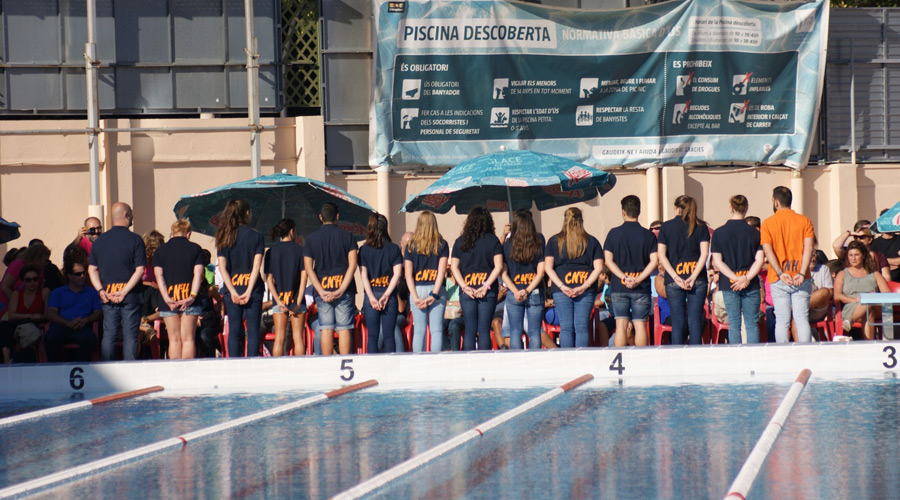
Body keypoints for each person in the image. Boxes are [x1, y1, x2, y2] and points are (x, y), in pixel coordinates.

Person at [88, 202, 146, 360]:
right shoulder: (135, 240)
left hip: (108, 295)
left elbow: (92, 269)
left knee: (109, 336)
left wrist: (101, 290)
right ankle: (130, 371)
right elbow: (140, 269)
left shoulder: (99, 241)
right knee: (130, 337)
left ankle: (108, 371)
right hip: (131, 296)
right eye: (131, 214)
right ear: (126, 215)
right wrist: (125, 291)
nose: (132, 216)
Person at [761, 186, 816, 343]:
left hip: (778, 277)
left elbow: (768, 250)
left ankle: (782, 355)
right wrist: (801, 272)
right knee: (801, 319)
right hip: (800, 276)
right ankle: (805, 352)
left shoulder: (768, 223)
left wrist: (779, 272)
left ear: (776, 202)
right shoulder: (805, 221)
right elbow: (809, 248)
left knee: (782, 321)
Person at [544, 207, 603, 348]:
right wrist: (583, 286)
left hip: (561, 289)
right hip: (585, 289)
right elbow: (599, 268)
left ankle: (567, 363)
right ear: (581, 221)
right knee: (582, 327)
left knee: (566, 328)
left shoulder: (554, 241)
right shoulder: (592, 241)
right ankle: (582, 363)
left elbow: (548, 267)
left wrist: (562, 286)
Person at [304, 201, 357, 355]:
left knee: (326, 327)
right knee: (344, 327)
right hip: (345, 289)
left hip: (323, 289)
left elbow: (308, 268)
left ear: (321, 217)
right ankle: (345, 362)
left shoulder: (311, 239)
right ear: (337, 216)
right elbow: (352, 265)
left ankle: (328, 363)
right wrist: (341, 289)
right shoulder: (348, 236)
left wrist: (320, 290)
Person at [711, 195, 766, 344]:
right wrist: (746, 278)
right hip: (751, 283)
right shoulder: (755, 233)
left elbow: (718, 261)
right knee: (752, 324)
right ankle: (754, 357)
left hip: (729, 284)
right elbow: (759, 260)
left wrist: (735, 278)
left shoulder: (719, 233)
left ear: (730, 208)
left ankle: (737, 360)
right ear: (746, 209)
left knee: (734, 325)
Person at [604, 195, 658, 347]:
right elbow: (654, 261)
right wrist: (638, 279)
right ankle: (641, 361)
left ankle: (620, 358)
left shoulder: (613, 234)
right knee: (640, 325)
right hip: (641, 287)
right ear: (639, 211)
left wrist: (624, 277)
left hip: (620, 286)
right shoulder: (648, 235)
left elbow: (608, 260)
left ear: (623, 212)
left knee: (620, 324)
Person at [657, 195, 710, 345]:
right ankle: (695, 356)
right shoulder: (701, 226)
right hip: (697, 278)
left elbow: (662, 255)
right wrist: (693, 276)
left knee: (677, 320)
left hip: (674, 279)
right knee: (695, 320)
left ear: (676, 208)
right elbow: (704, 254)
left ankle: (677, 357)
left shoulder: (666, 227)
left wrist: (675, 277)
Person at [216, 199, 265, 357]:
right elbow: (256, 267)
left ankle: (234, 366)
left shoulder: (224, 236)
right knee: (252, 331)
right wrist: (249, 291)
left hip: (233, 290)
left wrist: (232, 291)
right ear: (246, 213)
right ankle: (251, 367)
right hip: (253, 289)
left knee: (234, 331)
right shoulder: (256, 236)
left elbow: (222, 268)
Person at [451, 207, 503, 351]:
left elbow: (454, 267)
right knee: (484, 330)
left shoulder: (460, 241)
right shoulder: (493, 241)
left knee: (470, 329)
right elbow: (498, 267)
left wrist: (464, 286)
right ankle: (484, 365)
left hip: (467, 290)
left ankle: (470, 367)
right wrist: (486, 285)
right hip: (488, 290)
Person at [153, 220, 204, 359]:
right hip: (189, 298)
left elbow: (159, 276)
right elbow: (198, 274)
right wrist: (192, 296)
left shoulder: (160, 251)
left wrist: (167, 298)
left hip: (168, 299)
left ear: (172, 233)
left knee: (174, 340)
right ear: (188, 234)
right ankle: (187, 376)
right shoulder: (195, 248)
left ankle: (175, 375)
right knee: (188, 339)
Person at [501, 210, 546, 350]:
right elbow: (541, 272)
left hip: (513, 291)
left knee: (515, 331)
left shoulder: (507, 245)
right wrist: (527, 290)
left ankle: (517, 367)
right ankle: (535, 364)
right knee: (534, 332)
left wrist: (515, 291)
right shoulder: (539, 240)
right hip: (534, 290)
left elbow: (503, 273)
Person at [404, 211, 448, 352]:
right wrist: (434, 294)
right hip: (436, 289)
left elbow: (408, 274)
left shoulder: (410, 245)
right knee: (436, 330)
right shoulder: (442, 244)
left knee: (419, 331)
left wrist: (415, 297)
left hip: (417, 288)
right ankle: (435, 364)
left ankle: (418, 364)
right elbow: (441, 272)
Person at [358, 214, 402, 353]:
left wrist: (371, 297)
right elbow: (397, 274)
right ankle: (390, 367)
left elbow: (363, 275)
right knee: (389, 336)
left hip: (371, 294)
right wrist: (387, 295)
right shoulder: (394, 248)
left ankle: (372, 368)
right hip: (388, 295)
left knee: (372, 336)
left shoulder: (364, 250)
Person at [262, 218, 307, 357]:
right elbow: (304, 278)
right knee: (298, 338)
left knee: (279, 338)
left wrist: (278, 300)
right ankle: (301, 372)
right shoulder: (300, 250)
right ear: (292, 231)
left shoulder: (271, 252)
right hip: (296, 298)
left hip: (279, 299)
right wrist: (298, 302)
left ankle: (277, 371)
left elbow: (268, 280)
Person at [45, 259, 102, 362]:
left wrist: (85, 320)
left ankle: (78, 367)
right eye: (78, 274)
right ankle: (55, 369)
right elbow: (51, 313)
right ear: (69, 276)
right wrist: (67, 323)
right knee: (51, 338)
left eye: (84, 273)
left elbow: (98, 313)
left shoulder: (92, 292)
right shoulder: (58, 292)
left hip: (83, 326)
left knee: (90, 339)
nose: (82, 276)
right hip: (61, 325)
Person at [834, 240, 891, 339]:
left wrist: (871, 298)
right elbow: (837, 296)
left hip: (874, 305)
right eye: (850, 255)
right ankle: (869, 345)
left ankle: (850, 321)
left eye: (856, 255)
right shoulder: (842, 274)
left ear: (863, 255)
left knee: (869, 304)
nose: (853, 258)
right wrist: (855, 300)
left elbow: (887, 293)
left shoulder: (874, 274)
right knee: (868, 310)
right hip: (852, 306)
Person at [0, 265, 50, 363]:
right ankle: (6, 358)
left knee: (30, 334)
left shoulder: (44, 292)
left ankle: (13, 357)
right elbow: (12, 315)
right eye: (28, 280)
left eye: (34, 279)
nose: (32, 282)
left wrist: (35, 317)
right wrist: (31, 315)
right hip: (17, 323)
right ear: (23, 281)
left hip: (34, 325)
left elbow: (46, 315)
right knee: (4, 327)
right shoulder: (16, 294)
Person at [0, 244, 51, 316]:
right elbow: (5, 286)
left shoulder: (39, 272)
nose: (46, 263)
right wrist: (16, 304)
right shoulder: (17, 264)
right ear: (38, 257)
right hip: (4, 303)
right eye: (45, 260)